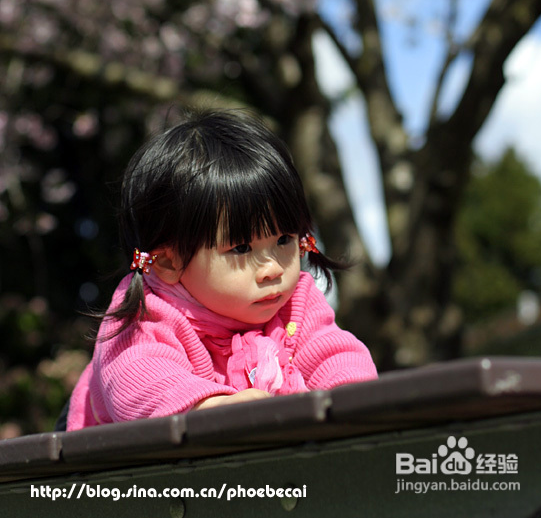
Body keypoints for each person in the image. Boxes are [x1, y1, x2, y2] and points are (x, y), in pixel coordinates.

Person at [67, 108, 377, 430]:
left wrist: (350, 399)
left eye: (284, 239)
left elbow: (333, 352)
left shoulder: (296, 303)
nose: (272, 269)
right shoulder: (147, 313)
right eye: (241, 248)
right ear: (168, 262)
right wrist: (207, 407)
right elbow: (138, 376)